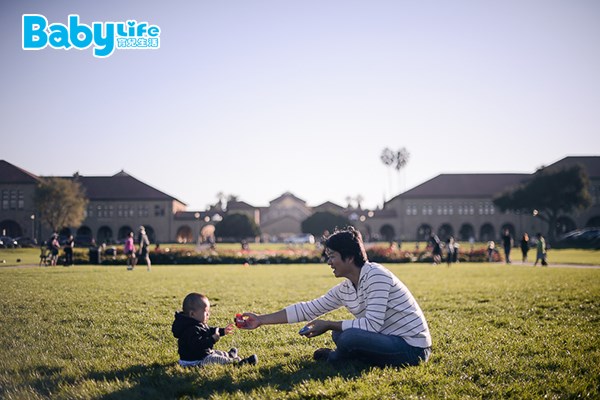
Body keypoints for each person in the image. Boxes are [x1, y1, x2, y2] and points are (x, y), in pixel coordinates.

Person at [240, 226, 432, 368]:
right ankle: (352, 357)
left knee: (348, 337)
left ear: (349, 257)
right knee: (341, 335)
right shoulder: (346, 288)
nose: (329, 262)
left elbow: (372, 325)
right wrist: (261, 320)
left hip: (412, 348)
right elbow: (308, 309)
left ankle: (336, 358)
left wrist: (329, 323)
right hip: (387, 339)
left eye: (332, 256)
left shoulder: (376, 275)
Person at [171, 292, 258, 367]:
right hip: (194, 360)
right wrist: (212, 339)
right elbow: (198, 345)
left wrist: (223, 331)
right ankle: (238, 362)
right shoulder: (190, 329)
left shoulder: (196, 323)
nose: (208, 315)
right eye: (206, 312)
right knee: (215, 359)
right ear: (192, 314)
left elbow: (209, 330)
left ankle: (228, 355)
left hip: (202, 355)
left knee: (217, 353)